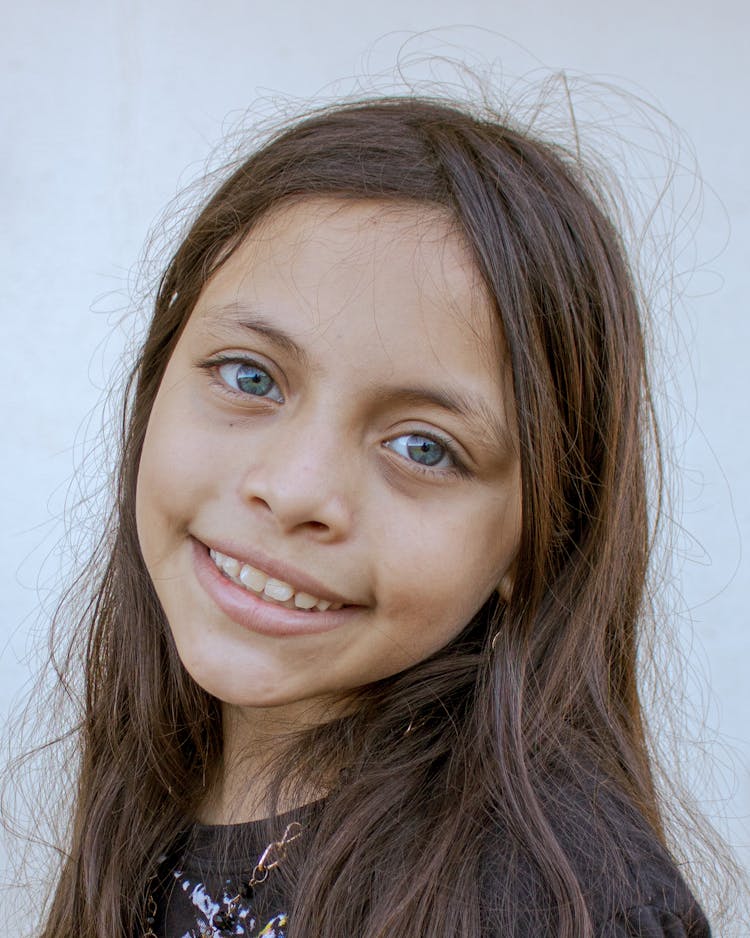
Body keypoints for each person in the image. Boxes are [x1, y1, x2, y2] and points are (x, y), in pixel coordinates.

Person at [36, 96, 713, 937]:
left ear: (537, 540)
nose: (294, 490)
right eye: (250, 377)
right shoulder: (167, 779)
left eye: (423, 448)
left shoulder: (556, 904)